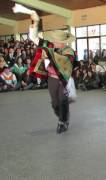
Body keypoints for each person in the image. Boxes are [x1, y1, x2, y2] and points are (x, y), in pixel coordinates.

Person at [13, 4, 77, 134]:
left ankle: (63, 122)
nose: (55, 42)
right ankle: (62, 117)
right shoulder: (51, 46)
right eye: (55, 40)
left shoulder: (69, 51)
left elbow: (64, 61)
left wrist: (48, 52)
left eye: (57, 40)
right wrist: (34, 22)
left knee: (63, 100)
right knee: (55, 103)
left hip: (64, 79)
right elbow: (34, 38)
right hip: (52, 79)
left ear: (64, 42)